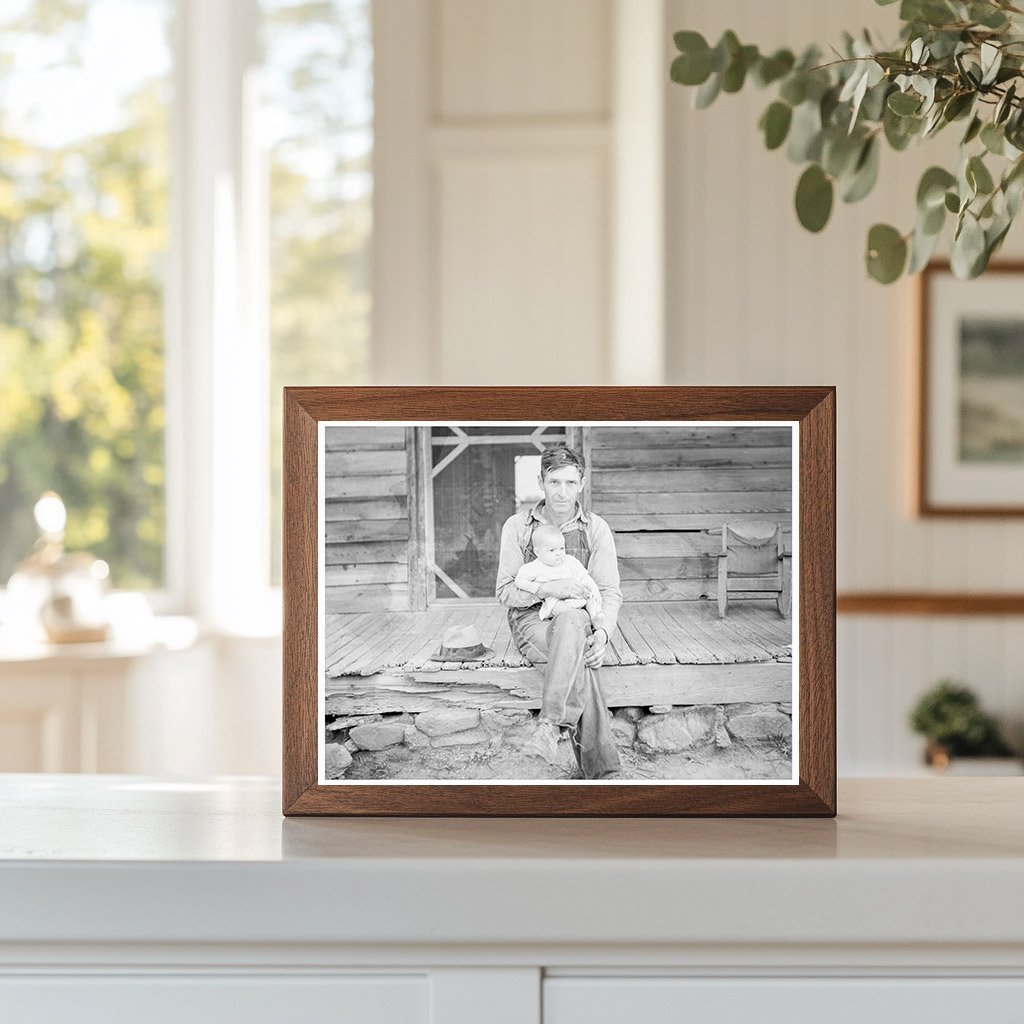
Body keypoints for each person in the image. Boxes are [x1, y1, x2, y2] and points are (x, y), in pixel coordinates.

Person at [495, 443, 622, 779]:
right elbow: (505, 592)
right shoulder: (518, 527)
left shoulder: (595, 528)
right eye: (554, 482)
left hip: (580, 618)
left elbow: (608, 590)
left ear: (582, 484)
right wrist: (551, 589)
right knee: (578, 661)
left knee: (573, 624)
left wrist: (603, 634)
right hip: (532, 618)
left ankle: (550, 727)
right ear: (541, 482)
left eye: (570, 482)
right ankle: (604, 773)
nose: (562, 492)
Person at [513, 523, 605, 630]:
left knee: (592, 602)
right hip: (555, 599)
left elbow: (585, 577)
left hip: (578, 595)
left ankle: (595, 619)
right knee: (559, 608)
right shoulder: (534, 567)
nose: (558, 553)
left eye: (561, 548)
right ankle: (574, 621)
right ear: (537, 552)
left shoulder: (570, 561)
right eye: (552, 550)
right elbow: (519, 580)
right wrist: (535, 588)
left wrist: (594, 591)